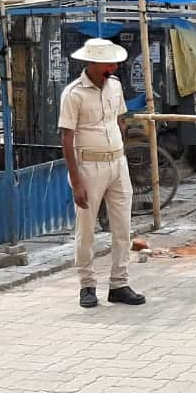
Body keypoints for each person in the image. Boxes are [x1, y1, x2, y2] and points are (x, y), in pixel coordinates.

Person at [58, 38, 146, 309]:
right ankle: (87, 284)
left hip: (117, 163)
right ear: (93, 63)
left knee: (122, 226)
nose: (114, 66)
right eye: (109, 62)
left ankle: (119, 283)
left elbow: (119, 120)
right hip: (89, 166)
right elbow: (66, 137)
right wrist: (76, 181)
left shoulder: (116, 86)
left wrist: (119, 144)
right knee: (86, 229)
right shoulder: (73, 94)